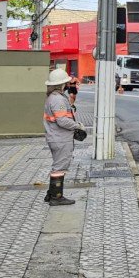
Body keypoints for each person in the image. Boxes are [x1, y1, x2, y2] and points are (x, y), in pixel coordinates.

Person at [43, 69, 84, 206]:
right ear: (61, 84)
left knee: (58, 165)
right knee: (59, 167)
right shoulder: (58, 99)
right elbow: (62, 121)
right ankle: (57, 197)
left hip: (56, 137)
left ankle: (51, 194)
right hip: (60, 138)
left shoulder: (53, 97)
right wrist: (77, 126)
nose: (68, 84)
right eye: (66, 83)